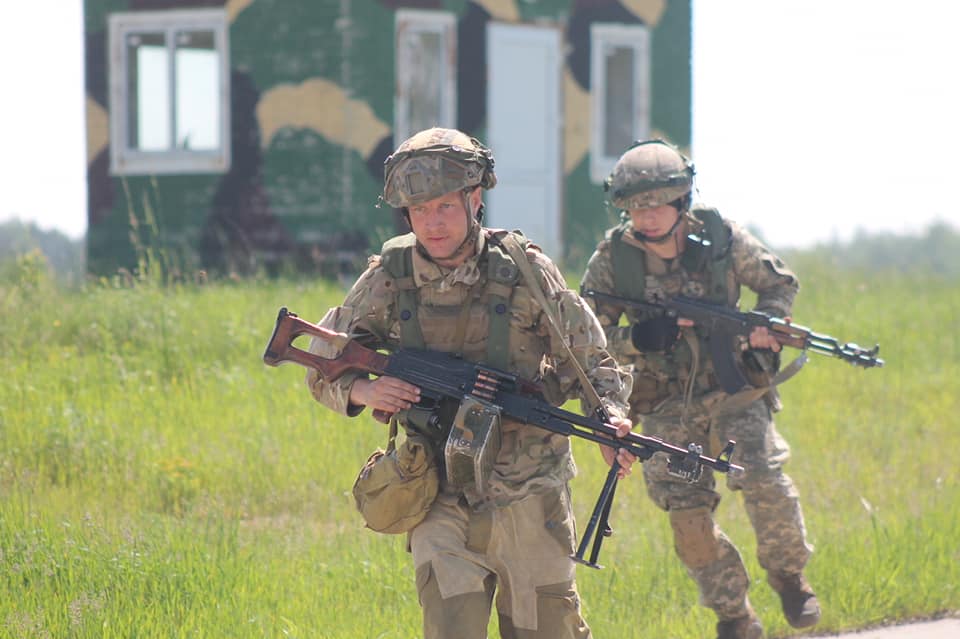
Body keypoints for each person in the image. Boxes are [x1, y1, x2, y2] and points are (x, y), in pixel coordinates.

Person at [304, 127, 637, 639]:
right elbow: (321, 360)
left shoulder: (524, 271)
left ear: (474, 199)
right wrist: (363, 390)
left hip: (530, 488)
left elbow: (590, 359)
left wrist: (609, 418)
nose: (432, 223)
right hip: (439, 489)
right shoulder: (390, 277)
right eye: (419, 210)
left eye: (444, 206)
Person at [579, 139, 820, 639]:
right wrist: (638, 339)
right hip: (664, 402)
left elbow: (779, 285)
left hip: (733, 389)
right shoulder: (612, 262)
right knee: (688, 517)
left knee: (764, 480)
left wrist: (766, 324)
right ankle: (734, 615)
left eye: (657, 205)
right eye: (635, 207)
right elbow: (585, 340)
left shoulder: (721, 239)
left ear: (682, 200)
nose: (646, 217)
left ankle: (789, 576)